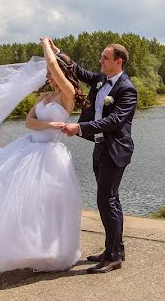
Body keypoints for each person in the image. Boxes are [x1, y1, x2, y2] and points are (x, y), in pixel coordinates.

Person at [0, 38, 85, 275]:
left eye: (51, 73)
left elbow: (52, 64)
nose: (48, 77)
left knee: (49, 203)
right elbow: (29, 122)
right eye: (48, 74)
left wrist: (46, 46)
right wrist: (49, 122)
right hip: (29, 148)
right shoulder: (44, 97)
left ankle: (52, 252)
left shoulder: (68, 95)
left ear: (61, 72)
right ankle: (26, 248)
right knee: (19, 201)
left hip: (50, 154)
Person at [55, 41, 138, 274]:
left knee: (106, 201)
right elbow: (78, 71)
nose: (101, 62)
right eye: (101, 58)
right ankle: (115, 249)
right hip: (100, 148)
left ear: (118, 62)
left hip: (115, 150)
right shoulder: (101, 80)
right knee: (111, 200)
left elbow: (114, 122)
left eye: (105, 58)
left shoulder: (127, 89)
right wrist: (57, 52)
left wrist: (79, 128)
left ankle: (113, 257)